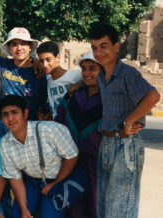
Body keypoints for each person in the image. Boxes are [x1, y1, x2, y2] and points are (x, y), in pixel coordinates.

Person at [88, 23, 160, 218]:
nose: (99, 52)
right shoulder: (102, 76)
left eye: (103, 46)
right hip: (107, 143)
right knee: (104, 208)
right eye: (94, 48)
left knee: (120, 210)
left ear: (116, 46)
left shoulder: (127, 73)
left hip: (125, 145)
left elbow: (153, 96)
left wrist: (128, 122)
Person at [0, 95, 79, 218]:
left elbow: (72, 156)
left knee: (49, 215)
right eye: (5, 114)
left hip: (59, 177)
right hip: (31, 180)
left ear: (25, 113)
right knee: (18, 214)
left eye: (14, 113)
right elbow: (15, 179)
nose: (10, 118)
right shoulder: (5, 144)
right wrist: (24, 210)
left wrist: (56, 183)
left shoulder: (50, 130)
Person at [54, 51, 102, 218]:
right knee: (73, 205)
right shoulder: (74, 94)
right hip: (72, 162)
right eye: (84, 69)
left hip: (97, 163)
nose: (87, 73)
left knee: (95, 206)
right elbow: (59, 120)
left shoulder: (109, 97)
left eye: (93, 69)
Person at [37, 41, 82, 119]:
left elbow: (100, 76)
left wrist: (81, 82)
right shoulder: (47, 81)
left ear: (58, 57)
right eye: (41, 61)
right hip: (57, 126)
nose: (44, 65)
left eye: (48, 60)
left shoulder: (77, 74)